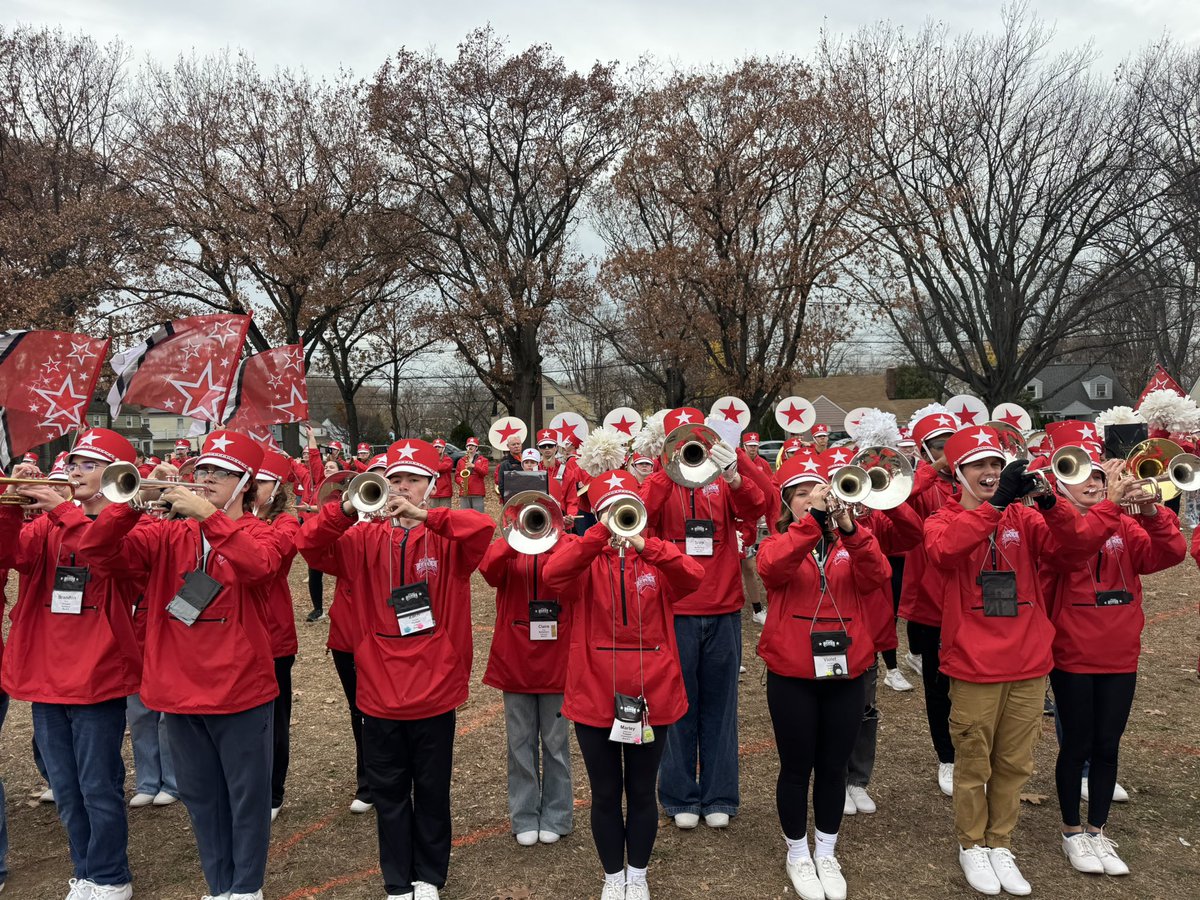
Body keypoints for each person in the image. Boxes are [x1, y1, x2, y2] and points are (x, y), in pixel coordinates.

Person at [77, 429, 280, 900]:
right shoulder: (166, 533)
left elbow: (260, 568)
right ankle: (220, 886)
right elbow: (96, 552)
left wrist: (210, 517)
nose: (206, 478)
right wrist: (129, 506)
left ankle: (246, 888)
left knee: (246, 797)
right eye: (202, 469)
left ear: (245, 483)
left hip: (240, 687)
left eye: (220, 472)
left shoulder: (259, 532)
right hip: (177, 685)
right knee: (201, 796)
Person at [924, 425, 1121, 897]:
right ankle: (972, 844)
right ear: (958, 472)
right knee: (974, 761)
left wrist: (1051, 504)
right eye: (979, 465)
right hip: (973, 663)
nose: (991, 472)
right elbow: (945, 553)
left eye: (996, 464)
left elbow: (1075, 548)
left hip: (1028, 661)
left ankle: (1000, 842)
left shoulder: (1026, 519)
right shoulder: (942, 519)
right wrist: (994, 507)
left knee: (1015, 763)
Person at [296, 439, 493, 900]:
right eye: (395, 479)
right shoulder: (362, 538)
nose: (402, 487)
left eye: (413, 480)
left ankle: (429, 877)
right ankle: (398, 881)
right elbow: (309, 544)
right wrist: (348, 508)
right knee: (388, 791)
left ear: (430, 486)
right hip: (379, 687)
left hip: (435, 686)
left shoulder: (447, 537)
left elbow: (484, 529)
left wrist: (428, 517)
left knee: (432, 789)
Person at [543, 470, 704, 900]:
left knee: (642, 790)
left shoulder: (656, 554)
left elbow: (692, 577)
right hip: (594, 691)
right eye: (609, 510)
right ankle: (613, 876)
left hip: (653, 691)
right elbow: (554, 575)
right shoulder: (584, 555)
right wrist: (598, 534)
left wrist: (647, 545)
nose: (620, 518)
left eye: (626, 510)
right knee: (605, 793)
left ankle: (638, 874)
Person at [0, 429, 146, 900]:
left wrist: (61, 509)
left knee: (97, 784)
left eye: (88, 465)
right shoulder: (46, 524)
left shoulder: (129, 522)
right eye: (74, 463)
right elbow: (10, 556)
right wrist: (9, 505)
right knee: (64, 786)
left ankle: (111, 876)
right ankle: (85, 871)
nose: (75, 472)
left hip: (98, 672)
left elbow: (98, 549)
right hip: (45, 671)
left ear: (115, 474)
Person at [1040, 425, 1185, 877]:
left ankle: (1098, 830)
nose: (1094, 482)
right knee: (1077, 743)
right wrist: (1110, 507)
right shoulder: (1053, 523)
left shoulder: (1123, 524)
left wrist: (1150, 512)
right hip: (1073, 654)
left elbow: (1170, 553)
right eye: (1083, 475)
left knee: (1107, 745)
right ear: (1061, 482)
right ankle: (1071, 831)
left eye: (1100, 476)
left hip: (1120, 653)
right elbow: (1070, 549)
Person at [756, 452, 892, 900]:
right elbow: (772, 569)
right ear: (788, 502)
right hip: (791, 672)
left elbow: (878, 576)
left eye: (817, 493)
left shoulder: (852, 540)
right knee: (796, 768)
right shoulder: (780, 539)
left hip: (846, 670)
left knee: (833, 767)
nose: (812, 499)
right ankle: (798, 852)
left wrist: (849, 528)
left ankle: (827, 850)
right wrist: (813, 521)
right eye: (801, 494)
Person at [639, 408, 764, 831]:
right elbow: (640, 514)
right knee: (677, 705)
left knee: (721, 707)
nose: (691, 448)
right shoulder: (660, 480)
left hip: (723, 606)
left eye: (697, 441)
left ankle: (719, 794)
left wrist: (734, 474)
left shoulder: (721, 479)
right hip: (675, 610)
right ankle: (679, 795)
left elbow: (757, 508)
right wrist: (667, 469)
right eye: (681, 441)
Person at [480, 498, 574, 847]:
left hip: (556, 656)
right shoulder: (510, 548)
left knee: (556, 743)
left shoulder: (565, 544)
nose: (536, 522)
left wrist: (556, 535)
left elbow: (575, 568)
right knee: (519, 743)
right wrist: (513, 537)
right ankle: (524, 815)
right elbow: (489, 571)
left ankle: (557, 814)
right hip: (516, 657)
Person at [897, 411, 960, 795]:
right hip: (931, 601)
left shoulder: (974, 480)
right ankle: (947, 757)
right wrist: (932, 469)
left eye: (952, 445)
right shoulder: (921, 483)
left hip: (975, 600)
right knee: (938, 687)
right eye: (939, 447)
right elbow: (896, 497)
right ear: (924, 452)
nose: (949, 453)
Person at [253, 449, 303, 822]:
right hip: (232, 634)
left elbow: (269, 560)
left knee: (273, 718)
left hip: (272, 633)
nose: (252, 488)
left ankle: (272, 791)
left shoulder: (286, 522)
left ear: (277, 487)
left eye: (260, 482)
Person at [741, 432, 773, 625]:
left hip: (754, 519)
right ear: (744, 446)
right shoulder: (736, 461)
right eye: (750, 445)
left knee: (750, 567)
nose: (753, 449)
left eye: (755, 446)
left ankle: (758, 609)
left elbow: (769, 488)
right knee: (734, 567)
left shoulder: (764, 464)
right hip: (737, 518)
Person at [457, 438, 489, 513]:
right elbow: (457, 475)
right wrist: (460, 481)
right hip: (464, 492)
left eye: (472, 445)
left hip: (477, 492)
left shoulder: (483, 460)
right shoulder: (461, 460)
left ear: (476, 447)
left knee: (478, 515)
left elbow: (484, 472)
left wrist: (474, 466)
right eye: (468, 445)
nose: (470, 447)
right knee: (465, 516)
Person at [495, 434, 525, 499]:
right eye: (513, 444)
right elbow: (501, 485)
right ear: (508, 446)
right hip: (512, 498)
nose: (516, 446)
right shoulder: (505, 464)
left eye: (518, 444)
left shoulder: (528, 460)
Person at [428, 440, 455, 509]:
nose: (437, 448)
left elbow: (441, 468)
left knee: (445, 513)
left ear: (443, 448)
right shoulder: (429, 459)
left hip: (445, 492)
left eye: (439, 447)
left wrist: (432, 465)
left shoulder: (448, 460)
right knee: (432, 513)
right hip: (432, 491)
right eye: (435, 447)